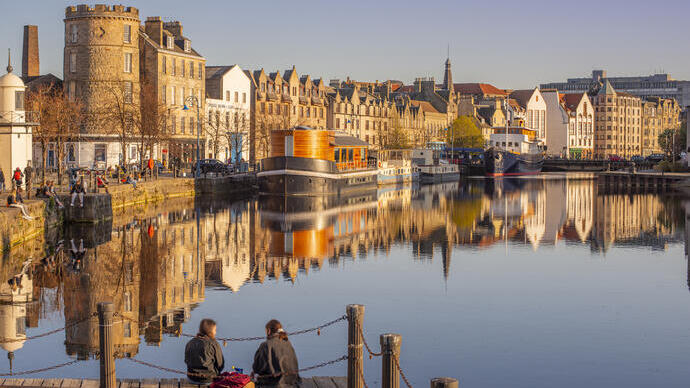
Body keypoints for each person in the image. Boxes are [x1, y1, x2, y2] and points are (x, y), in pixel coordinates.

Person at [252, 320, 300, 387]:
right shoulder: (287, 342)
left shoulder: (265, 345)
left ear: (268, 331)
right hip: (292, 382)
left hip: (276, 384)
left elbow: (257, 368)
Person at [184, 318, 224, 383]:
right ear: (210, 331)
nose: (216, 332)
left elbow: (186, 361)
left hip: (191, 378)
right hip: (208, 380)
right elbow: (220, 365)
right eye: (215, 330)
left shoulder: (190, 342)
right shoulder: (213, 343)